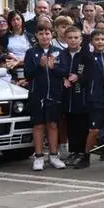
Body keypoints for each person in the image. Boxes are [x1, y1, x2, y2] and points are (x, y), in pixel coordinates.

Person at [75, 29, 104, 169]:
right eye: (97, 39)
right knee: (94, 130)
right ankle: (86, 156)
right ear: (92, 42)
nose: (100, 42)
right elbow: (82, 78)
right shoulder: (87, 57)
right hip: (95, 99)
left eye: (102, 39)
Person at [24, 21, 68, 170]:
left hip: (54, 95)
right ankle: (38, 156)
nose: (44, 36)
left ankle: (54, 155)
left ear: (52, 34)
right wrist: (39, 66)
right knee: (38, 126)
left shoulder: (59, 52)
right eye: (41, 33)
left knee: (53, 125)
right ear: (36, 35)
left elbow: (64, 71)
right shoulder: (31, 53)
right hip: (37, 95)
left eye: (47, 33)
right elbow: (27, 75)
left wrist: (52, 67)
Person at [60, 26, 89, 166]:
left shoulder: (86, 55)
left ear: (81, 39)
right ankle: (73, 151)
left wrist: (79, 77)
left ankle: (82, 152)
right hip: (67, 96)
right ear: (65, 39)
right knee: (71, 124)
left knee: (81, 125)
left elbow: (91, 74)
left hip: (81, 96)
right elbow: (58, 70)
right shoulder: (62, 54)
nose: (73, 40)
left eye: (76, 37)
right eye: (70, 38)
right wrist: (64, 77)